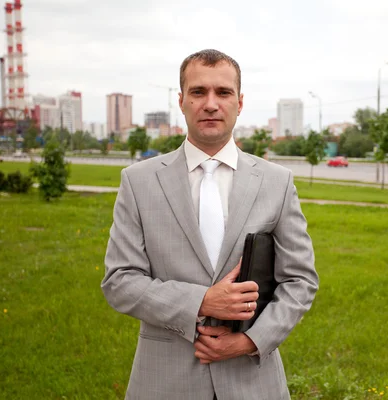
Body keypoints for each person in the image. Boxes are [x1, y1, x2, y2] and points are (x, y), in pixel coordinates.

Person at [101, 49, 319, 400]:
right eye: (198, 92)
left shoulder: (277, 182)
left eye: (223, 92)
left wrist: (249, 341)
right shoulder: (138, 181)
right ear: (182, 101)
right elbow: (119, 281)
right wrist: (202, 301)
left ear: (240, 102)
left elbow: (301, 280)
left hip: (253, 382)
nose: (211, 104)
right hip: (165, 381)